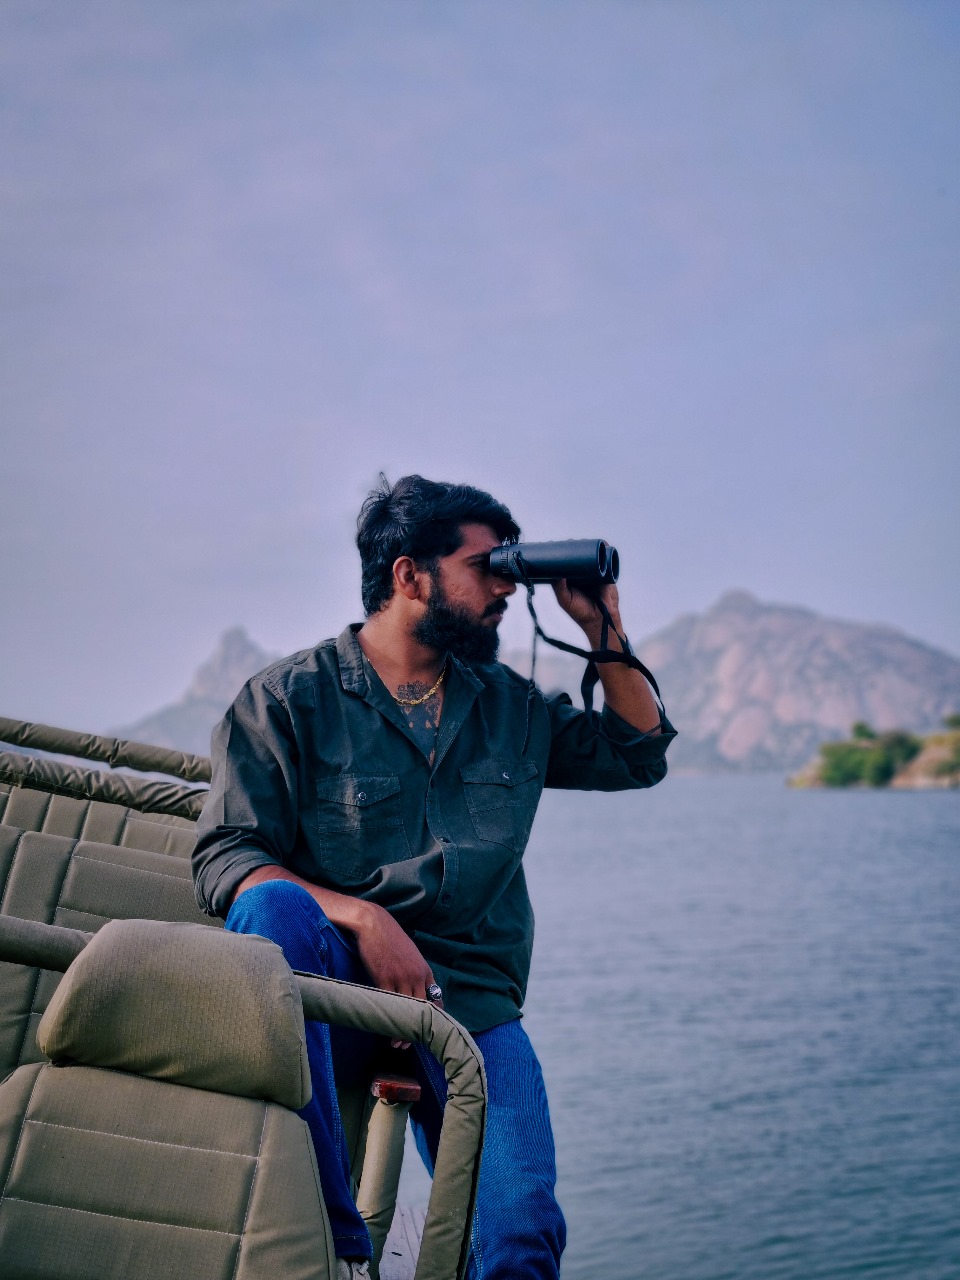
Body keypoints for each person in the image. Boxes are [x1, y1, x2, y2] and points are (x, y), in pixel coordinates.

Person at [193, 474, 676, 1280]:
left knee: (520, 1236)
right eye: (487, 568)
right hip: (330, 988)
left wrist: (602, 627)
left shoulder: (510, 705)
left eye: (511, 569)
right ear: (409, 575)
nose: (506, 589)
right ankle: (332, 1245)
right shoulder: (288, 700)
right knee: (273, 907)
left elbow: (637, 755)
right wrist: (365, 919)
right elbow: (227, 857)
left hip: (467, 1002)